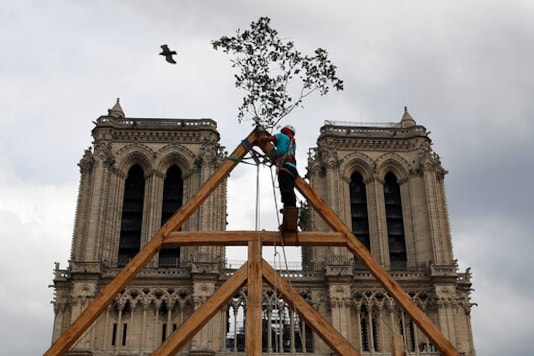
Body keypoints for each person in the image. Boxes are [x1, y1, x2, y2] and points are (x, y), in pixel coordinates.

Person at [260, 125, 298, 211]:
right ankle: (289, 207)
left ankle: (289, 209)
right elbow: (279, 144)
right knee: (289, 188)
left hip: (285, 167)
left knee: (285, 189)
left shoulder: (281, 136)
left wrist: (262, 137)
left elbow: (266, 140)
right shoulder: (293, 143)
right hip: (292, 168)